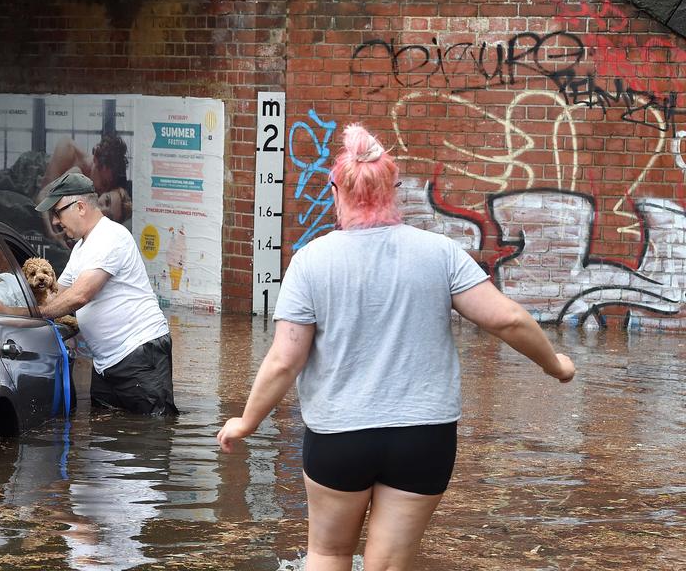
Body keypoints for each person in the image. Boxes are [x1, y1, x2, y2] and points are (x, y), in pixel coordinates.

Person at [216, 124, 575, 571]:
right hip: (423, 437)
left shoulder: (311, 261)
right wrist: (554, 364)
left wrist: (246, 422)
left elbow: (284, 362)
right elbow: (508, 319)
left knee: (328, 554)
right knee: (387, 564)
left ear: (335, 189)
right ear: (395, 189)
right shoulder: (439, 253)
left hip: (339, 436)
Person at [28, 172, 177, 416]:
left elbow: (80, 296)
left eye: (57, 212)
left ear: (80, 207)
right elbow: (58, 294)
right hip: (106, 364)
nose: (55, 221)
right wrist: (13, 306)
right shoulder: (81, 248)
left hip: (139, 355)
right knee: (105, 437)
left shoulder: (111, 237)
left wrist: (36, 314)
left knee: (152, 438)